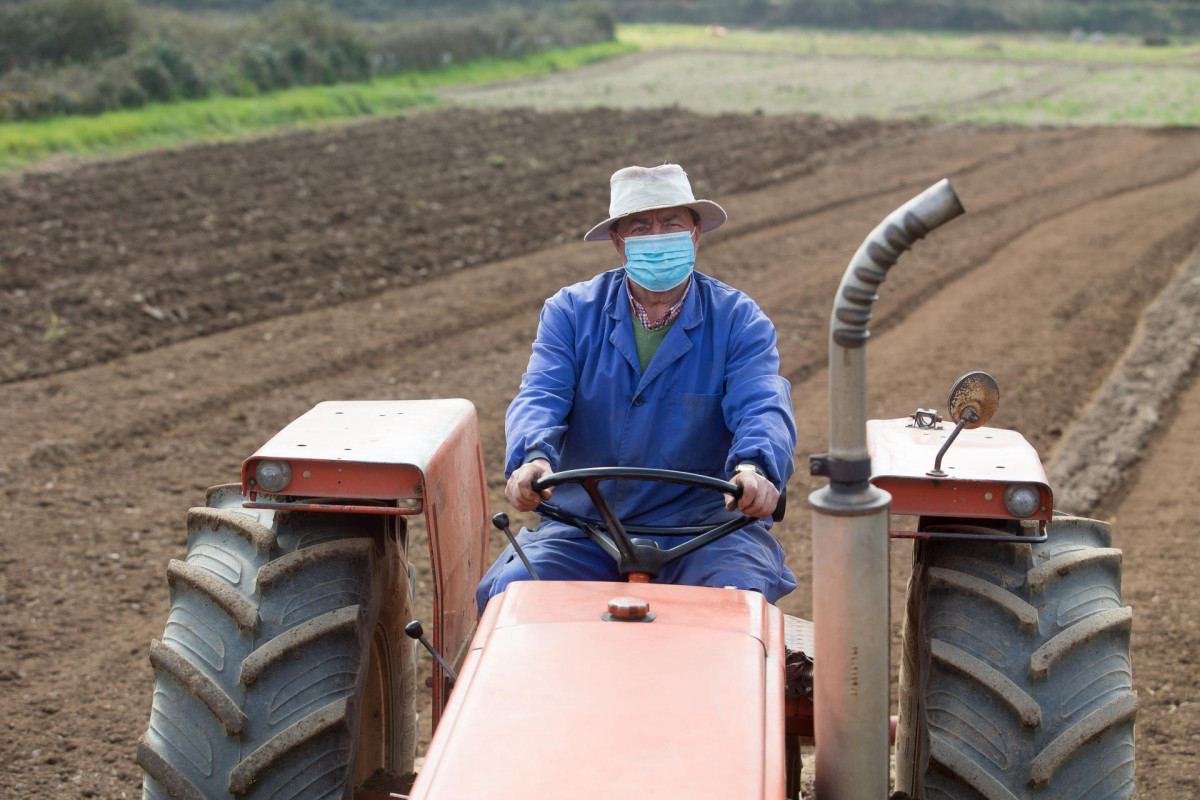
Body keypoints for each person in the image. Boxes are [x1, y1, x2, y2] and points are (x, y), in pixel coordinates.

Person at [475, 163, 797, 613]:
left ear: (695, 233)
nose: (657, 235)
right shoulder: (570, 312)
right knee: (516, 596)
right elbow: (540, 394)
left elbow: (761, 402)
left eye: (671, 224)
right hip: (585, 526)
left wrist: (754, 468)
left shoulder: (738, 319)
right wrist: (532, 458)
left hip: (703, 528)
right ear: (618, 241)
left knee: (737, 602)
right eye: (641, 227)